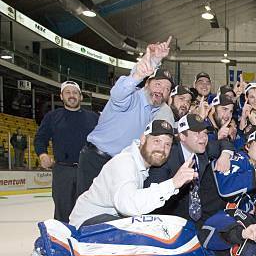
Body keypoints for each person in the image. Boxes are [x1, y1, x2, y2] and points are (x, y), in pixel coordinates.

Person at [76, 37, 175, 196]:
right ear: (147, 84)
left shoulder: (155, 110)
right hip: (96, 161)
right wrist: (140, 72)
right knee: (88, 214)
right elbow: (119, 91)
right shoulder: (131, 98)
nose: (161, 90)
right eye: (158, 84)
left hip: (120, 165)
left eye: (167, 88)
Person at [69, 119, 196, 228]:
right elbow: (127, 205)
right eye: (156, 141)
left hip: (104, 220)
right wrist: (173, 184)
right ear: (143, 139)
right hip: (87, 224)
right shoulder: (125, 162)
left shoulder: (141, 165)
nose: (162, 149)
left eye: (167, 144)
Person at [145, 113, 233, 226]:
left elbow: (224, 144)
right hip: (168, 220)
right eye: (197, 133)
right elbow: (152, 198)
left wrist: (225, 156)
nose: (203, 137)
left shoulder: (202, 149)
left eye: (205, 133)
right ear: (182, 136)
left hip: (196, 216)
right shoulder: (166, 157)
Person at [34, 81, 99, 222]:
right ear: (61, 96)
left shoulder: (93, 118)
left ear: (81, 97)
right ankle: (62, 241)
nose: (72, 96)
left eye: (75, 93)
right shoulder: (52, 117)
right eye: (68, 92)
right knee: (63, 211)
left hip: (88, 171)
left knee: (88, 210)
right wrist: (42, 154)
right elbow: (40, 138)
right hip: (63, 170)